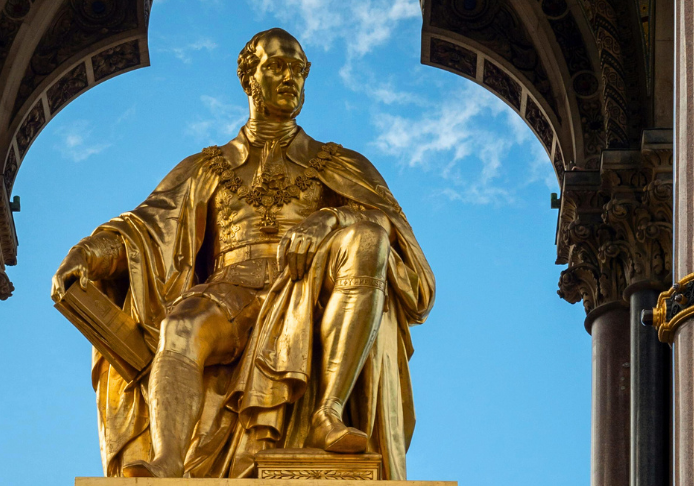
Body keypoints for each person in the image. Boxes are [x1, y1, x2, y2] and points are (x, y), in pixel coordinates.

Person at [51, 28, 435, 479]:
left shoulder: (339, 164)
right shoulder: (207, 166)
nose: (290, 77)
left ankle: (327, 414)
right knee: (180, 327)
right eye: (276, 66)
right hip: (229, 290)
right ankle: (168, 459)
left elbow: (400, 244)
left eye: (298, 69)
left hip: (309, 287)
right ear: (249, 78)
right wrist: (88, 254)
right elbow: (147, 227)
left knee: (368, 237)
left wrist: (334, 219)